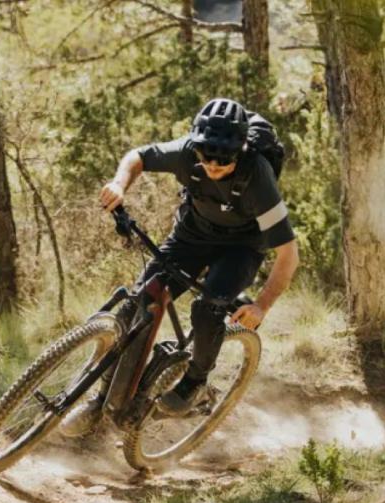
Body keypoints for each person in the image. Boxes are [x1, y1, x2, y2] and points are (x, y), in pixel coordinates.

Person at [98, 98, 300, 415]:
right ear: (197, 146)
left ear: (241, 150)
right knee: (138, 303)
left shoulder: (258, 176)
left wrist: (262, 305)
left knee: (208, 308)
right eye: (207, 156)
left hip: (242, 248)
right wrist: (119, 184)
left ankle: (196, 382)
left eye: (225, 159)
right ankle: (101, 399)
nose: (215, 165)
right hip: (191, 237)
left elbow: (288, 252)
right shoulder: (186, 151)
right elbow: (138, 156)